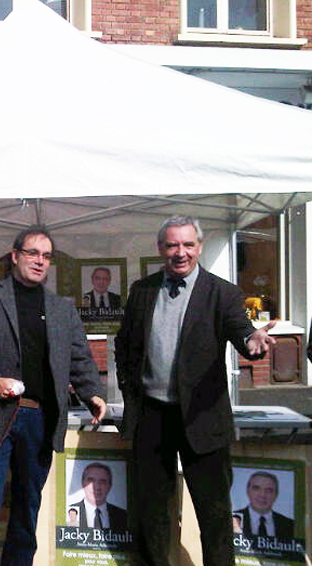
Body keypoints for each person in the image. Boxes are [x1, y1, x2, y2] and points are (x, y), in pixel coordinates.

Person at [115, 215, 276, 566]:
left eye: (188, 244)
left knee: (214, 513)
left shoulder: (223, 292)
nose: (180, 252)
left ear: (199, 247)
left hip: (202, 416)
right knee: (152, 511)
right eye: (172, 245)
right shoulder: (142, 291)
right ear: (161, 249)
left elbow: (241, 330)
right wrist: (130, 393)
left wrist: (254, 341)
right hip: (153, 416)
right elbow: (124, 346)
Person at [0, 225, 107, 566]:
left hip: (40, 418)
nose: (40, 261)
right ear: (15, 256)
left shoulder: (62, 309)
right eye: (33, 253)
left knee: (27, 506)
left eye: (46, 256)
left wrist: (93, 393)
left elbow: (79, 358)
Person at [235, 471, 294, 539]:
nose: (262, 495)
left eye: (269, 490)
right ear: (248, 491)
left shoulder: (290, 525)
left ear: (276, 494)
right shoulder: (232, 519)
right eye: (256, 488)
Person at [69, 462, 128, 530]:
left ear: (110, 486)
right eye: (91, 481)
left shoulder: (122, 515)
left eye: (102, 482)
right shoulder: (71, 512)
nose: (97, 487)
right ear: (83, 483)